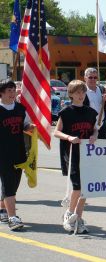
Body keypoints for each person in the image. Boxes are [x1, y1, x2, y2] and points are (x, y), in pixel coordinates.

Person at [54, 80, 98, 234]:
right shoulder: (66, 112)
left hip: (87, 156)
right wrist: (69, 137)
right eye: (77, 92)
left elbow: (95, 130)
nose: (81, 95)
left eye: (83, 92)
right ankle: (69, 214)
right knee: (78, 187)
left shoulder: (90, 112)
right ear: (71, 94)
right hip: (72, 154)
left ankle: (78, 218)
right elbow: (56, 132)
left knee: (86, 189)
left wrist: (94, 135)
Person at [0, 80, 35, 230]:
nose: (12, 93)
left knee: (12, 183)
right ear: (1, 93)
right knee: (9, 186)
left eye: (14, 90)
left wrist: (30, 127)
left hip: (19, 152)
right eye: (9, 90)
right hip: (2, 153)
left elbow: (26, 125)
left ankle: (2, 209)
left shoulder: (21, 108)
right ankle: (12, 218)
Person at [83, 68, 106, 139]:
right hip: (88, 124)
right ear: (85, 78)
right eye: (90, 77)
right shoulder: (82, 90)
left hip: (101, 124)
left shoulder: (101, 89)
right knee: (88, 148)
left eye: (95, 77)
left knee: (103, 148)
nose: (93, 79)